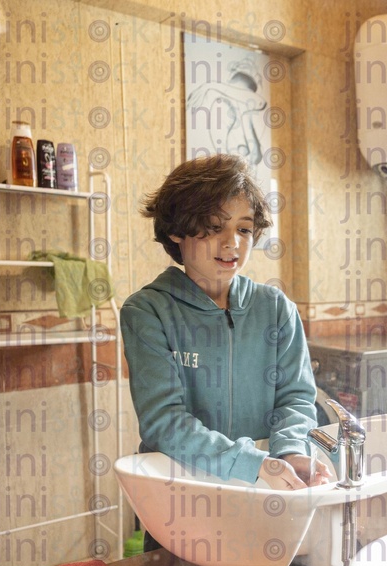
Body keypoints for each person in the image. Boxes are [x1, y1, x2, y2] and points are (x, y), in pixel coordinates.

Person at [122, 154, 333, 515]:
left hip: (268, 494)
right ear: (176, 230)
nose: (232, 243)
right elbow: (164, 422)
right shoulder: (148, 312)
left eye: (244, 229)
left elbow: (296, 399)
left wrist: (292, 451)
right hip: (183, 499)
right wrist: (254, 463)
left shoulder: (276, 308)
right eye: (214, 226)